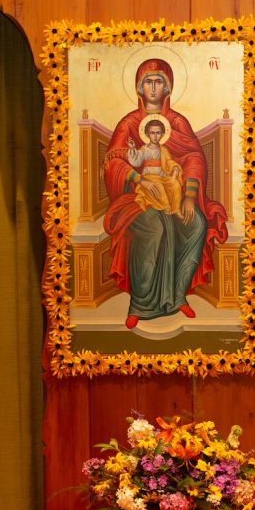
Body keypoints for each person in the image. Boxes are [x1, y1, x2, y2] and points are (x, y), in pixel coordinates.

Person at [103, 58, 228, 329]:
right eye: (147, 81)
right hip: (136, 197)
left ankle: (177, 295)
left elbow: (194, 158)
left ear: (168, 87)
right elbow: (114, 161)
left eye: (159, 81)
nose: (153, 87)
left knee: (196, 224)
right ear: (138, 87)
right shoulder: (129, 123)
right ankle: (140, 303)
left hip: (173, 196)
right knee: (154, 229)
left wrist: (189, 197)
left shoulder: (177, 122)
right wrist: (138, 179)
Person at [126, 119, 184, 219]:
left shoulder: (163, 150)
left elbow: (168, 162)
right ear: (147, 134)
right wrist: (132, 148)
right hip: (149, 178)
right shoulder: (144, 150)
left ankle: (176, 209)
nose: (155, 136)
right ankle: (166, 207)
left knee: (175, 184)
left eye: (158, 133)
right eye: (152, 133)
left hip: (162, 177)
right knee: (158, 186)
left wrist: (175, 168)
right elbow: (136, 162)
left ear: (162, 134)